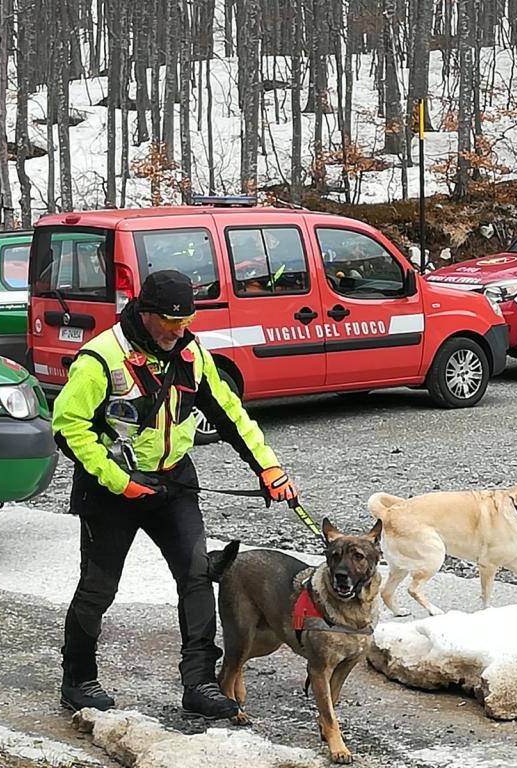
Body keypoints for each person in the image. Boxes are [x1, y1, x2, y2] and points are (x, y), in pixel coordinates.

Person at [53, 270, 297, 719]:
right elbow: (68, 428)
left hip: (174, 481)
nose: (178, 330)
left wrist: (269, 467)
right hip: (112, 488)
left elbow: (230, 415)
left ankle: (200, 684)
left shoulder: (190, 353)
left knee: (197, 576)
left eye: (184, 322)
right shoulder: (102, 358)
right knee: (98, 588)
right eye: (168, 321)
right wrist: (118, 479)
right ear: (145, 313)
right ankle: (79, 680)